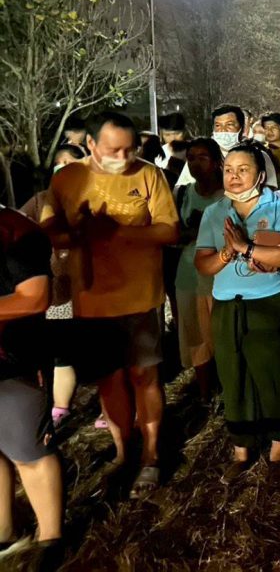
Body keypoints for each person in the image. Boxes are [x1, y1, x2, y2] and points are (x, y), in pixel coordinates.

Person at [40, 111, 180, 499]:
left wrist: (118, 232)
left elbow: (169, 230)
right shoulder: (68, 178)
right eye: (112, 149)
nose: (122, 157)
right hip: (91, 298)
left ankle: (151, 455)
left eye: (128, 149)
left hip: (140, 296)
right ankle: (123, 452)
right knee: (110, 379)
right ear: (90, 144)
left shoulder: (149, 175)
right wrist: (76, 231)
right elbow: (50, 229)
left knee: (144, 375)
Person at [194, 143, 280, 477]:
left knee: (272, 375)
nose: (234, 177)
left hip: (270, 302)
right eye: (228, 170)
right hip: (226, 303)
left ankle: (278, 448)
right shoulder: (215, 212)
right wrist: (227, 252)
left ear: (261, 175)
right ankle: (242, 448)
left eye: (243, 170)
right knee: (232, 374)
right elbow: (203, 264)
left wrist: (249, 248)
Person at [0, 206, 63, 561]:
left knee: (29, 451)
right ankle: (4, 532)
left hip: (13, 359)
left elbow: (36, 296)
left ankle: (50, 540)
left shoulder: (16, 231)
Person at [19, 144, 84, 427]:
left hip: (86, 288)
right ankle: (57, 407)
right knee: (55, 351)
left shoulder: (93, 199)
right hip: (52, 290)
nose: (64, 168)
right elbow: (19, 226)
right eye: (60, 163)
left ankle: (65, 405)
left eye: (70, 163)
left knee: (71, 350)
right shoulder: (40, 200)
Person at [172, 139, 224, 401]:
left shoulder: (229, 195)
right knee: (194, 333)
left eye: (203, 157)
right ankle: (204, 392)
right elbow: (172, 233)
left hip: (221, 273)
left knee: (221, 331)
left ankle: (226, 387)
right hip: (188, 273)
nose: (195, 163)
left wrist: (199, 230)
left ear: (216, 162)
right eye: (191, 158)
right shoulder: (182, 193)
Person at [176, 105, 279, 189]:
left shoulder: (259, 156)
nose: (223, 130)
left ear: (242, 128)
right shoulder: (200, 156)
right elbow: (183, 188)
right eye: (218, 126)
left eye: (229, 125)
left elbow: (269, 191)